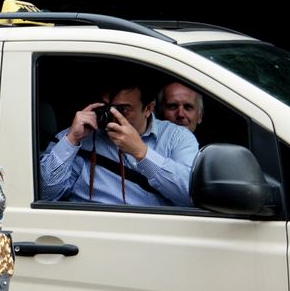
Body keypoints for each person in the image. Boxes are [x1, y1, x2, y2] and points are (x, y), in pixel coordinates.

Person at [39, 78, 199, 206]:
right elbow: (45, 195)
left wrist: (141, 153)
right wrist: (72, 140)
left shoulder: (177, 137)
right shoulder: (82, 135)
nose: (113, 116)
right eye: (108, 108)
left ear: (149, 109)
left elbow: (192, 194)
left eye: (123, 110)